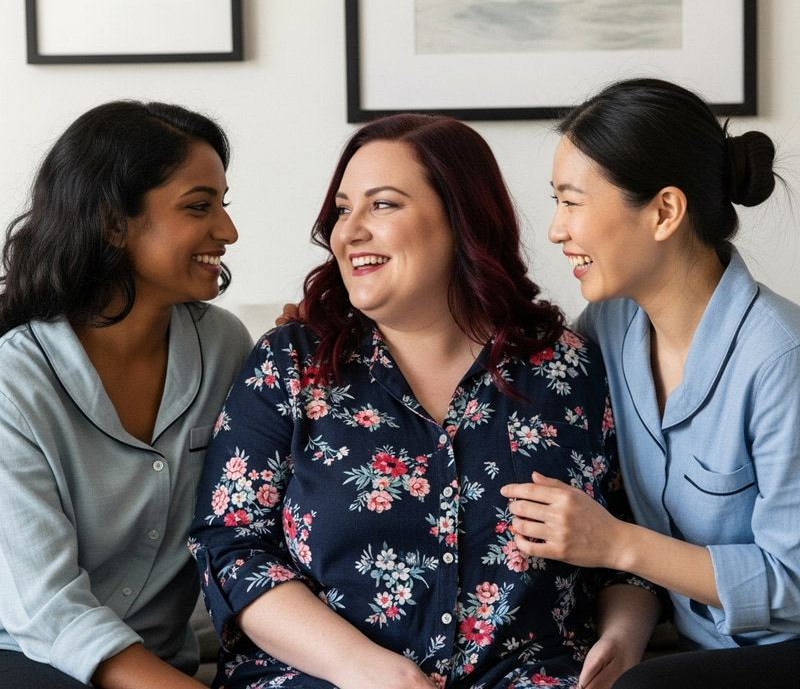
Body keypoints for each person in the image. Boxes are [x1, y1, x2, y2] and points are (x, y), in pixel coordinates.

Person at [189, 113, 659, 689]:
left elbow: (630, 540)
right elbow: (232, 546)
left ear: (463, 219)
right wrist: (360, 668)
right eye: (342, 210)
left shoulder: (571, 368)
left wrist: (623, 638)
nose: (349, 232)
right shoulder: (289, 364)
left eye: (382, 205)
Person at [501, 77, 800, 688]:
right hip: (694, 648)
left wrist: (617, 545)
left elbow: (794, 583)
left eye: (572, 202)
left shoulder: (780, 359)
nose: (556, 230)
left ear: (664, 211)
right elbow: (517, 365)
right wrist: (337, 327)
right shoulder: (609, 324)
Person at [0, 101, 253, 688]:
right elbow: (47, 610)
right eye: (199, 206)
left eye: (223, 204)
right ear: (112, 222)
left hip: (163, 665)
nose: (228, 231)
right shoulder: (14, 381)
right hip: (30, 661)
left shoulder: (225, 347)